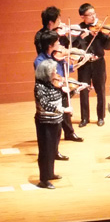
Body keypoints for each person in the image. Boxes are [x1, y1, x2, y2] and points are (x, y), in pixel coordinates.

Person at [34, 30, 83, 147]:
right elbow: (46, 78)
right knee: (53, 124)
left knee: (61, 118)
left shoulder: (56, 56)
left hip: (59, 88)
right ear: (50, 45)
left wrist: (77, 63)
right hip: (49, 93)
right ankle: (53, 150)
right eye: (57, 42)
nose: (59, 44)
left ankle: (67, 136)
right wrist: (61, 83)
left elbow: (66, 68)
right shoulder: (40, 61)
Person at [72, 3, 110, 127]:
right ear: (82, 16)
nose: (93, 17)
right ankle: (84, 118)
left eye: (94, 13)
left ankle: (101, 117)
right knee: (83, 91)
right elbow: (73, 46)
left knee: (100, 90)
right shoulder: (79, 29)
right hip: (84, 64)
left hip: (98, 63)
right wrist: (82, 37)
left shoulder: (100, 28)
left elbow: (107, 47)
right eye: (90, 14)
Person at [34, 59, 72, 189]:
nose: (56, 72)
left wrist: (75, 90)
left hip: (57, 121)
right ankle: (43, 180)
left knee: (53, 149)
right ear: (47, 73)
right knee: (45, 151)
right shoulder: (39, 86)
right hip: (45, 123)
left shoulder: (53, 83)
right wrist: (63, 110)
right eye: (54, 71)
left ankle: (50, 173)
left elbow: (61, 99)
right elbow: (45, 104)